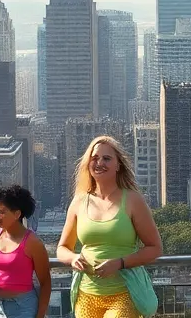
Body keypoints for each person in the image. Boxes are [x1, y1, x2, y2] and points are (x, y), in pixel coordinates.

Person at [56, 136, 162, 318]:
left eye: (106, 158)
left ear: (118, 165)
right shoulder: (79, 201)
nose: (99, 163)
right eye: (95, 158)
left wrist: (120, 263)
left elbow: (155, 248)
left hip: (124, 293)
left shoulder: (133, 200)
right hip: (86, 294)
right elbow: (62, 248)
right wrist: (73, 259)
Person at [0, 185, 51, 318]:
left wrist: (40, 314)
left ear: (17, 214)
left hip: (23, 306)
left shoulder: (33, 243)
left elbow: (45, 282)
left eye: (2, 212)